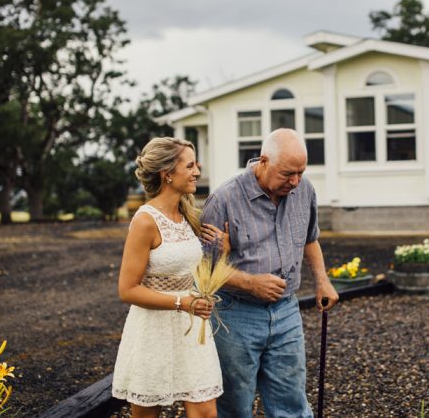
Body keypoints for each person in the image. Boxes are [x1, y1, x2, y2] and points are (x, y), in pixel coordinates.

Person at [201, 128, 339, 417]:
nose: (295, 181)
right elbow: (203, 271)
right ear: (263, 162)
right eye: (288, 173)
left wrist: (322, 281)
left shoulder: (305, 190)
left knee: (292, 403)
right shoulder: (223, 200)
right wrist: (249, 282)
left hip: (287, 310)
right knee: (235, 404)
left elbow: (310, 239)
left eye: (301, 172)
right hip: (235, 315)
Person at [112, 137, 228, 418]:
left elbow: (191, 270)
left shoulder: (189, 216)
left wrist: (223, 251)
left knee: (205, 411)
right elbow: (127, 290)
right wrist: (182, 302)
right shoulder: (145, 220)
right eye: (190, 165)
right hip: (152, 329)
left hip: (191, 327)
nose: (197, 171)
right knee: (147, 413)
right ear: (168, 174)